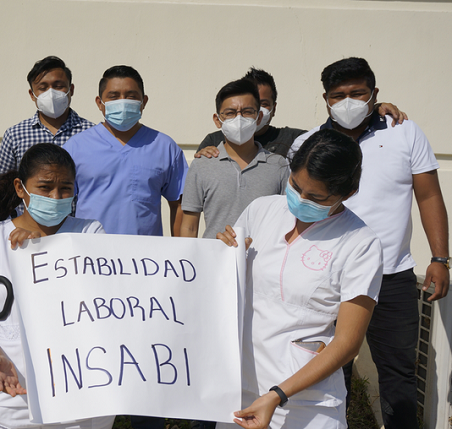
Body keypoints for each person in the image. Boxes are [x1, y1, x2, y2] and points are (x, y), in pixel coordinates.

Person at [289, 57, 449, 428]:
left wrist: (440, 257)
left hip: (391, 277)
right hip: (327, 278)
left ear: (374, 94)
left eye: (357, 93)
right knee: (328, 371)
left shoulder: (403, 131)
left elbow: (428, 197)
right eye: (337, 95)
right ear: (325, 99)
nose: (347, 102)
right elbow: (294, 201)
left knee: (399, 373)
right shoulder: (307, 142)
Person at [217, 128, 383, 429]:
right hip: (239, 389)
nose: (301, 199)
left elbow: (347, 343)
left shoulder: (360, 243)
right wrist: (223, 255)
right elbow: (224, 288)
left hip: (305, 403)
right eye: (295, 186)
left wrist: (278, 394)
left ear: (348, 194)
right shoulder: (261, 211)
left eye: (315, 196)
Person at [0, 143, 115, 429]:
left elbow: (101, 301)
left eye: (65, 189)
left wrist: (44, 250)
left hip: (80, 402)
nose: (56, 197)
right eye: (45, 188)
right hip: (9, 403)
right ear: (20, 188)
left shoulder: (90, 232)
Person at [64, 65, 188, 237]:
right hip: (91, 255)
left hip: (145, 258)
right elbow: (57, 201)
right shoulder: (75, 147)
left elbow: (179, 205)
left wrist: (180, 250)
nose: (122, 102)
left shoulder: (165, 147)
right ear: (100, 103)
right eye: (113, 97)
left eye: (131, 96)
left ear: (143, 102)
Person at [195, 67, 407, 159]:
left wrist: (373, 109)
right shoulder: (214, 141)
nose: (249, 115)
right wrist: (204, 155)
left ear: (274, 108)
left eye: (264, 104)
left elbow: (340, 130)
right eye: (250, 104)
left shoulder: (295, 139)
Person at [180, 78, 288, 239]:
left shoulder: (278, 165)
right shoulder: (202, 165)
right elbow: (189, 226)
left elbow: (287, 220)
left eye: (247, 112)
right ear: (218, 120)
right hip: (213, 260)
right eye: (230, 113)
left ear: (258, 118)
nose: (239, 118)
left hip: (263, 261)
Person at [0, 56, 93, 176]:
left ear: (71, 90)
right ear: (32, 94)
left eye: (58, 86)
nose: (51, 93)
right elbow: (3, 183)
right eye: (42, 88)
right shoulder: (15, 135)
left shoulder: (91, 133)